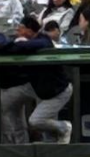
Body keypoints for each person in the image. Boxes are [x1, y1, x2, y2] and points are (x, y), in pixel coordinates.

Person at [0, 15, 73, 144]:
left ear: (29, 30)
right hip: (35, 86)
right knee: (7, 101)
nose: (18, 31)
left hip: (57, 91)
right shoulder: (23, 40)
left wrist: (18, 43)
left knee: (36, 121)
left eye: (21, 29)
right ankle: (20, 143)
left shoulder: (44, 40)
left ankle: (63, 128)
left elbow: (21, 47)